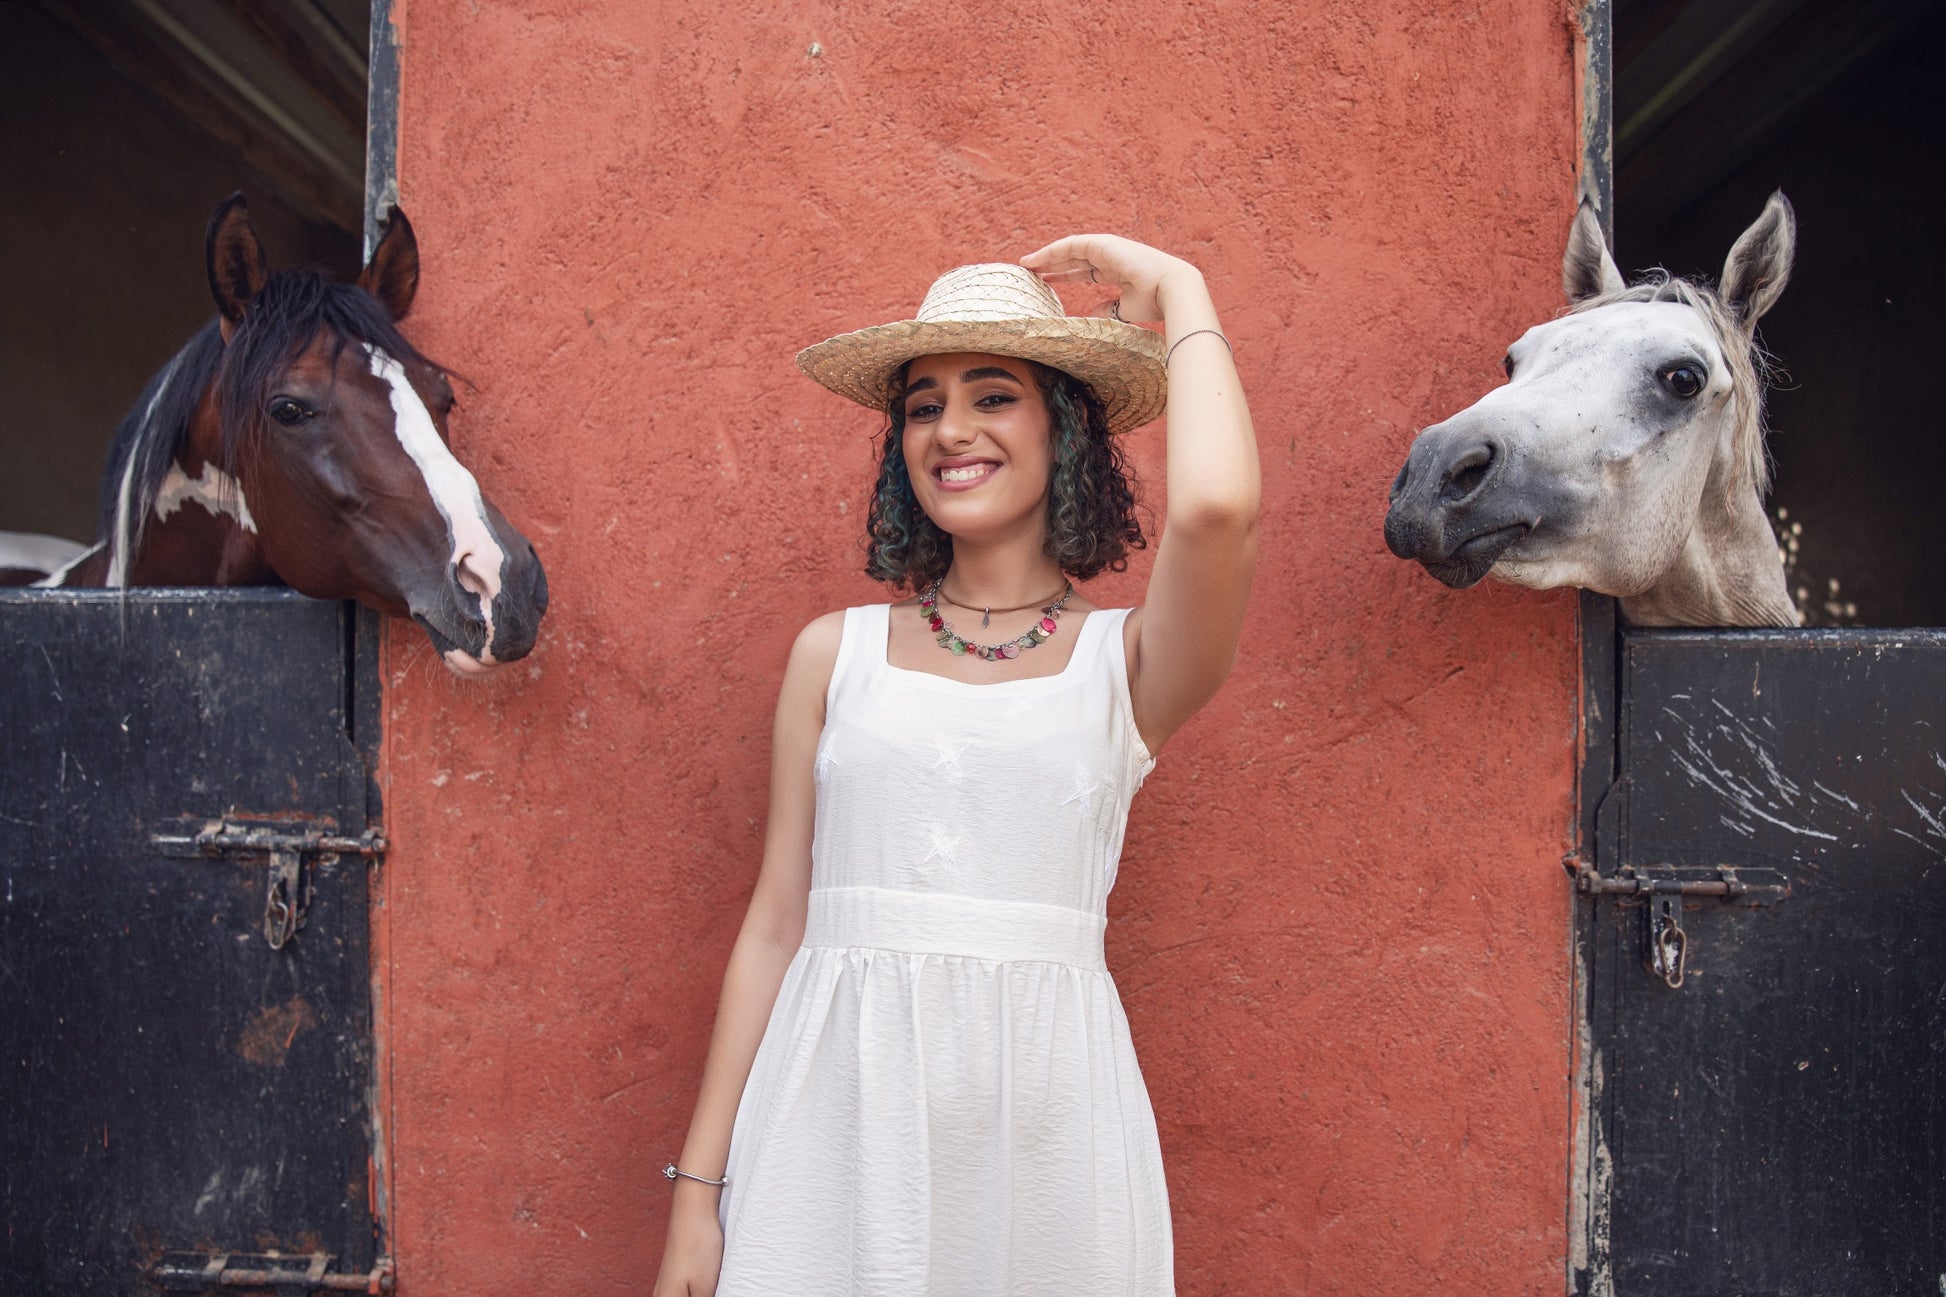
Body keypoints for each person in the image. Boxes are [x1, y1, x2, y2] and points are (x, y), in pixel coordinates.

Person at [653, 235, 1260, 1296]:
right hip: (829, 1124)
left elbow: (1214, 510)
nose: (952, 430)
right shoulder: (829, 655)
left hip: (1047, 1135)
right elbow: (775, 926)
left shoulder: (1125, 666)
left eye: (993, 396)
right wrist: (696, 1197)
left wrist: (1182, 292)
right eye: (923, 405)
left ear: (1063, 427)